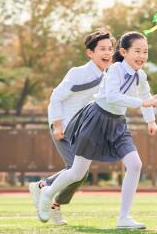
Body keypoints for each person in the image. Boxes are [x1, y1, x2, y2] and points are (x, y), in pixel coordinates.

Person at [37, 31, 157, 230]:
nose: (142, 56)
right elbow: (112, 97)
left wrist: (151, 121)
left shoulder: (141, 75)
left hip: (118, 123)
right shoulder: (115, 70)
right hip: (95, 119)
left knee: (135, 164)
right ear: (123, 52)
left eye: (145, 52)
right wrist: (142, 103)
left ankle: (124, 218)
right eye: (137, 51)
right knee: (77, 172)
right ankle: (48, 192)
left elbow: (146, 94)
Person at [28, 29, 114, 225]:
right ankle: (48, 196)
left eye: (110, 48)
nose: (107, 52)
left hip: (82, 131)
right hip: (63, 126)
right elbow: (56, 97)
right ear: (90, 53)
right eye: (102, 49)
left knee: (78, 174)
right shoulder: (78, 73)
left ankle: (43, 188)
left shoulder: (108, 77)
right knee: (76, 171)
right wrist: (57, 125)